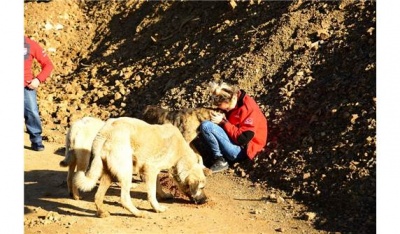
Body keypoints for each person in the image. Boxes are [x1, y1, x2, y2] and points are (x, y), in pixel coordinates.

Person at [200, 81, 268, 173]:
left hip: (242, 150)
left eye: (227, 109)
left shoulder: (248, 108)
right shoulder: (234, 103)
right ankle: (215, 156)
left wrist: (223, 122)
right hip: (233, 142)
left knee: (206, 126)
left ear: (233, 98)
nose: (226, 111)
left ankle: (220, 159)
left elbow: (243, 138)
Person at [24, 36, 54, 151]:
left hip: (26, 87)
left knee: (32, 113)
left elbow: (48, 64)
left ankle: (36, 141)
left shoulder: (30, 44)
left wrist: (38, 79)